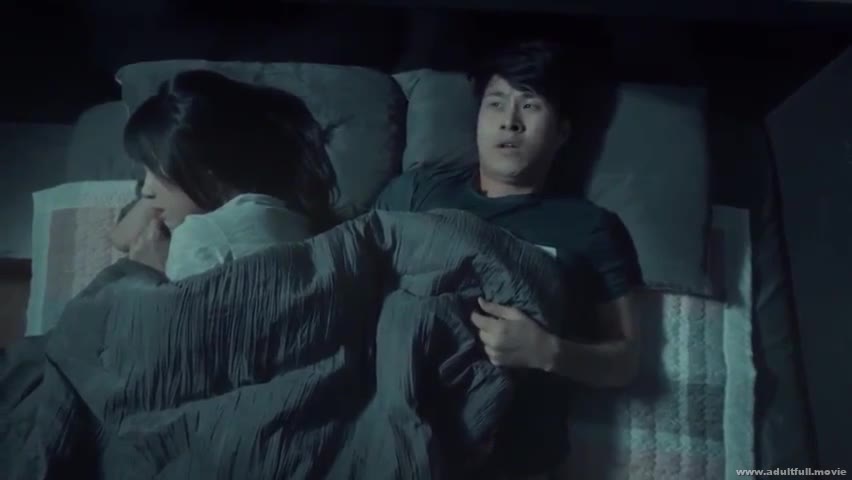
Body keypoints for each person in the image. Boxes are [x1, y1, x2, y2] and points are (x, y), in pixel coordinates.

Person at [374, 41, 643, 477]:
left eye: (530, 106)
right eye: (496, 103)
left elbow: (625, 360)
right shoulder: (416, 193)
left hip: (508, 453)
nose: (509, 121)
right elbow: (351, 277)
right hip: (390, 423)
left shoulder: (590, 228)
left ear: (562, 132)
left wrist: (547, 351)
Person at [109, 69, 338, 280]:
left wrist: (152, 272)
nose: (146, 189)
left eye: (156, 171)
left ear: (207, 171)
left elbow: (171, 312)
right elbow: (121, 238)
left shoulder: (202, 237)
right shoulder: (284, 214)